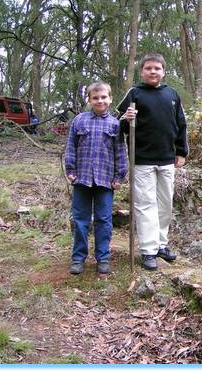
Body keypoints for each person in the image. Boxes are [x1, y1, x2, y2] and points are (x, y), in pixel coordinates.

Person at [117, 53, 188, 271]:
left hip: (167, 159)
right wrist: (125, 120)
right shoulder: (134, 93)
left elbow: (181, 124)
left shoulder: (172, 94)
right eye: (148, 68)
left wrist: (181, 152)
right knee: (146, 204)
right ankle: (148, 250)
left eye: (157, 68)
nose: (153, 72)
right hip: (142, 160)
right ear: (142, 71)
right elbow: (116, 123)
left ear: (163, 71)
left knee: (165, 204)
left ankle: (161, 245)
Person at [65, 81, 128, 275]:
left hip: (105, 180)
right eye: (95, 98)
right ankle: (78, 258)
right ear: (90, 100)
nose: (99, 101)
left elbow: (120, 152)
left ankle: (103, 258)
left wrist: (119, 176)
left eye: (103, 97)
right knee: (81, 220)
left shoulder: (115, 125)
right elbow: (71, 147)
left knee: (104, 220)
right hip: (82, 179)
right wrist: (70, 170)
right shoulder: (79, 121)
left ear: (110, 99)